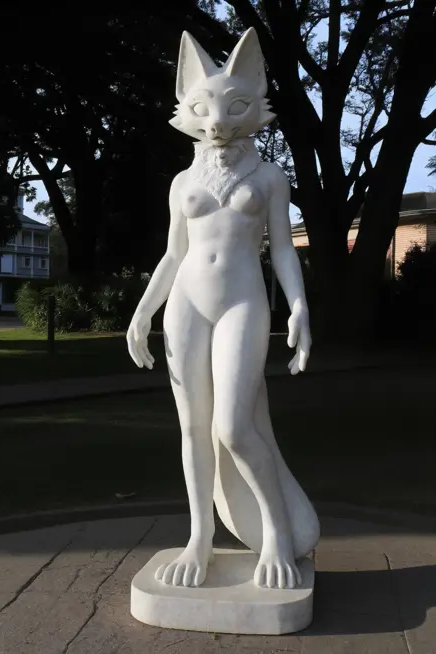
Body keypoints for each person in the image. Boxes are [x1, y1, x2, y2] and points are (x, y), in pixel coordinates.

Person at [127, 28, 319, 590]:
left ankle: (277, 535)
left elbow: (283, 250)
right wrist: (143, 311)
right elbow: (173, 254)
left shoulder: (269, 176)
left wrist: (299, 308)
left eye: (233, 106)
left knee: (234, 426)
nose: (216, 120)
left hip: (242, 302)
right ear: (186, 105)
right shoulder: (182, 180)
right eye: (203, 107)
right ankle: (200, 538)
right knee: (193, 427)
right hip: (186, 304)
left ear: (255, 98)